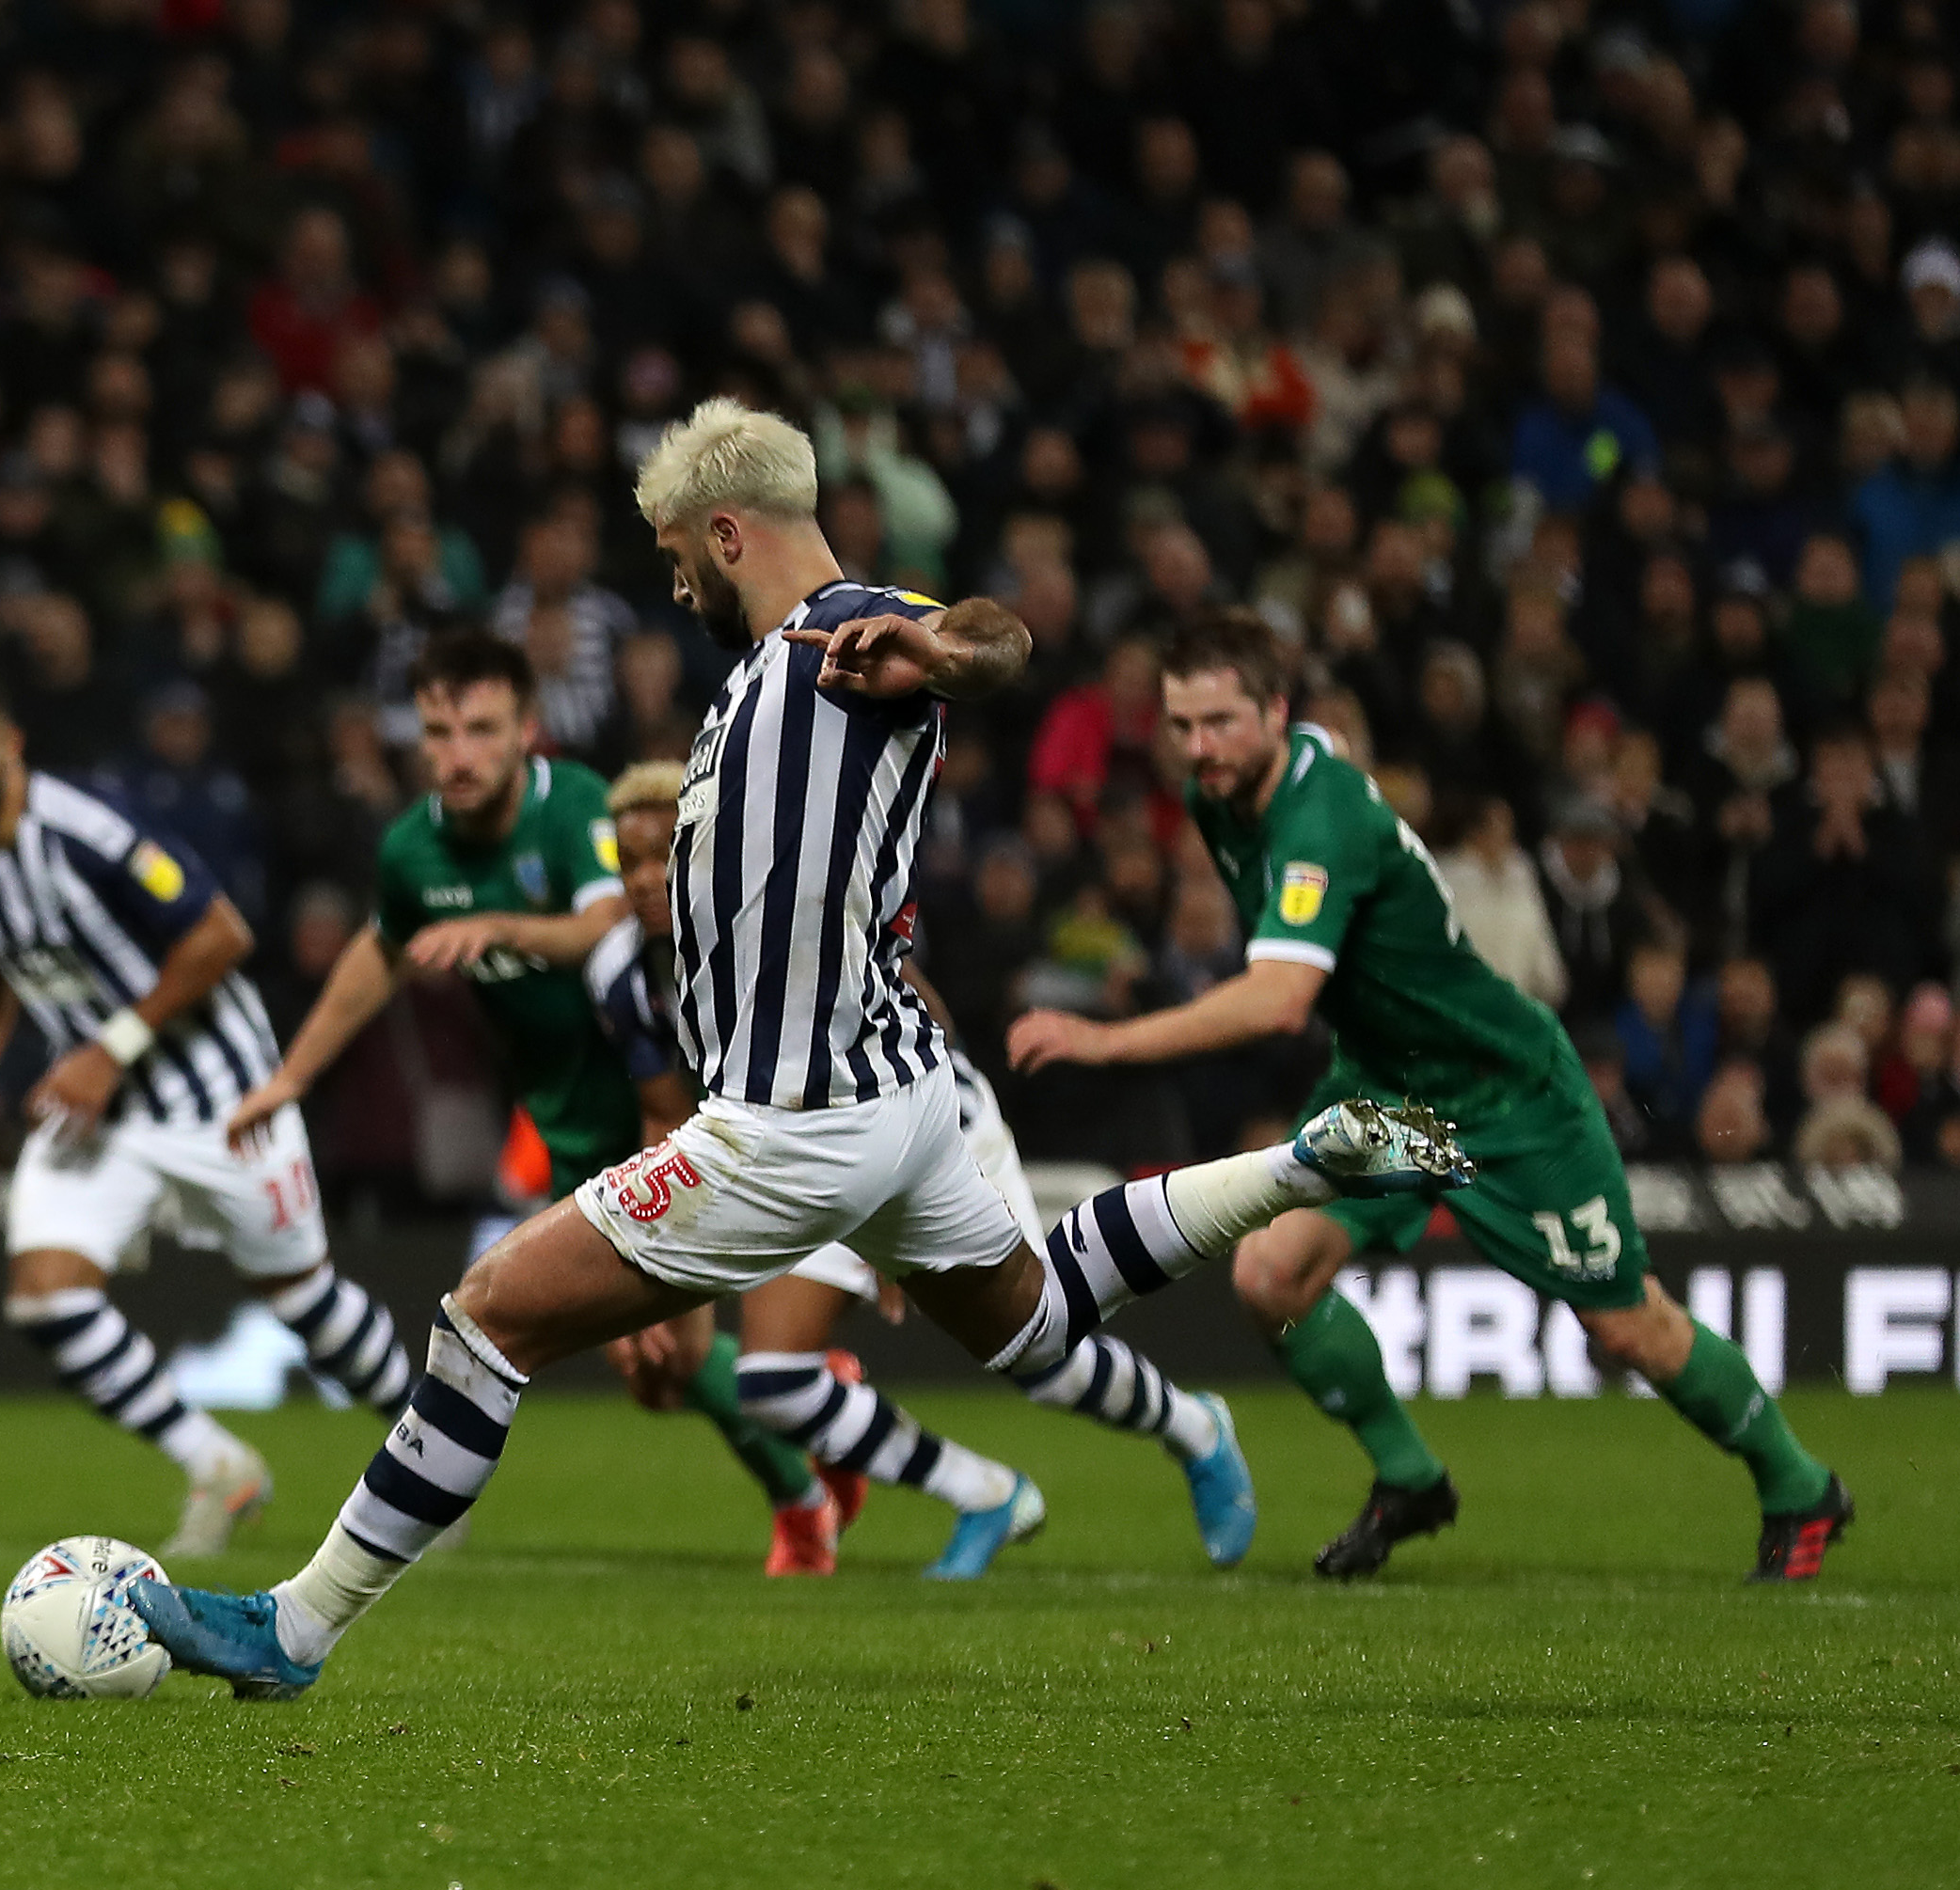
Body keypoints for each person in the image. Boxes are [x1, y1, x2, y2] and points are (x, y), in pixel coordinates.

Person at [131, 398, 1462, 1699]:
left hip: (795, 1115)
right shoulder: (770, 673)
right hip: (896, 1092)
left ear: (723, 534)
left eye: (669, 561)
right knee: (1034, 1319)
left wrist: (937, 651)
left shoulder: (842, 636)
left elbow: (995, 640)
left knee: (485, 1321)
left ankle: (292, 1628)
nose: (668, 592)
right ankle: (1299, 1163)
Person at [1011, 610, 1852, 1583]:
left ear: (1274, 711)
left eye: (1222, 722)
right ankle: (1410, 1477)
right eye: (1183, 725)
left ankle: (1801, 1485)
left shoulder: (1318, 817)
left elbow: (1282, 999)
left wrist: (1106, 1041)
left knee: (1626, 1326)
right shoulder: (1231, 791)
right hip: (1393, 1098)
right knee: (1270, 1278)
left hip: (1503, 1094)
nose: (1200, 747)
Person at [222, 632, 830, 1547]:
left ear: (524, 732)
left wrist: (498, 928)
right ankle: (818, 1426)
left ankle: (809, 1487)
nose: (456, 754)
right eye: (438, 733)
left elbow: (604, 924)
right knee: (660, 1376)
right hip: (564, 1126)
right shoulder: (413, 850)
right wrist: (290, 1078)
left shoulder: (575, 807)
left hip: (653, 1102)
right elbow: (379, 954)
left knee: (665, 1349)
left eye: (478, 729)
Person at [593, 760, 1257, 1577]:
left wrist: (909, 1188)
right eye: (621, 861)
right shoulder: (624, 976)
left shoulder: (781, 910)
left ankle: (1193, 1428)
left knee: (1032, 1351)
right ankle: (981, 1491)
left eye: (654, 854)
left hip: (924, 1121)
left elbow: (914, 1007)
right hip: (801, 1150)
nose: (637, 879)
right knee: (771, 1381)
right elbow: (667, 1112)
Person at [0, 676, 419, 1559]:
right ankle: (219, 1465)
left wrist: (109, 1049)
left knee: (305, 1301)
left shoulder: (86, 830)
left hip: (220, 1098)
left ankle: (431, 1452)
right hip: (97, 1114)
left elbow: (220, 934)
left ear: (10, 746)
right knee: (46, 1299)